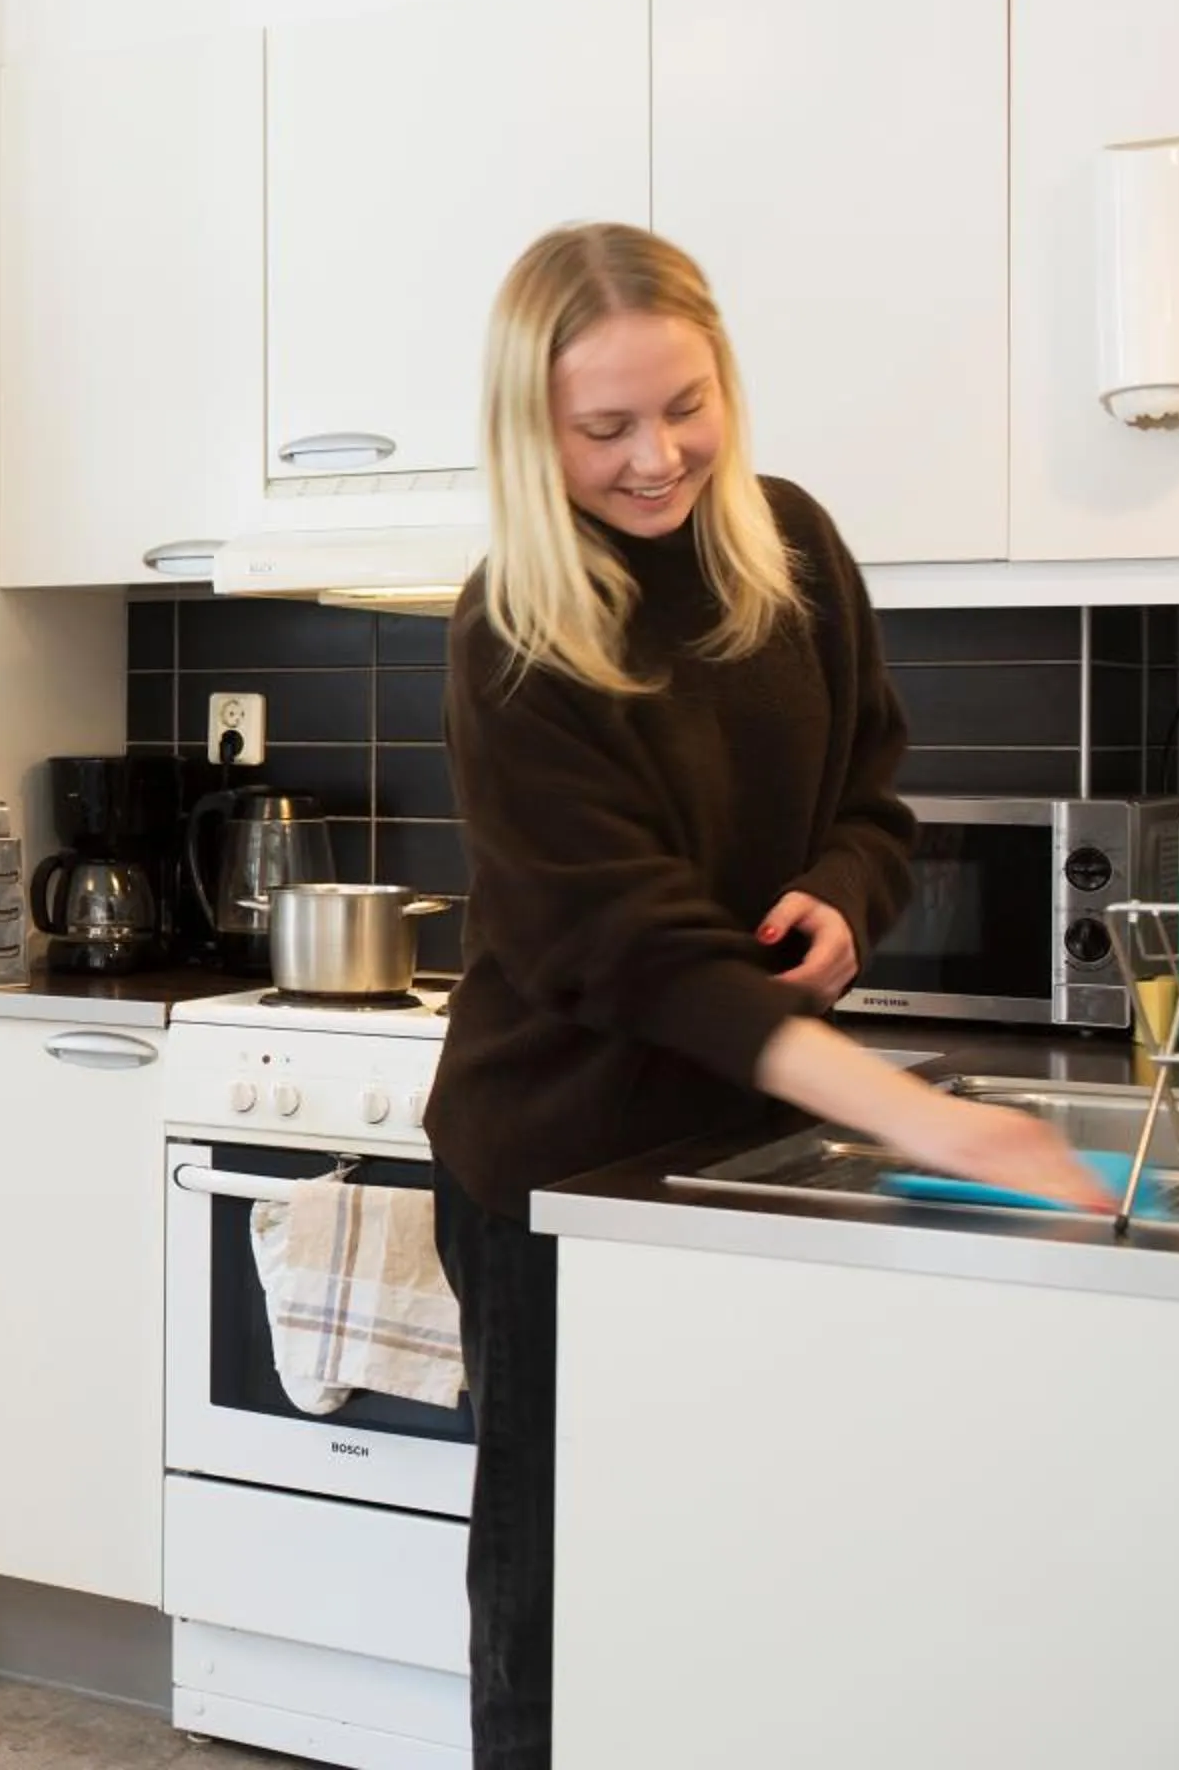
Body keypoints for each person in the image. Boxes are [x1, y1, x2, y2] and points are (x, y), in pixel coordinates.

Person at [427, 222, 1111, 1769]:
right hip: (557, 1160)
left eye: (685, 404)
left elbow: (874, 790)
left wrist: (849, 899)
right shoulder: (517, 626)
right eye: (603, 429)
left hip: (747, 1139)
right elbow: (633, 945)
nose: (658, 457)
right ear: (532, 433)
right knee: (562, 1576)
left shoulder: (789, 545)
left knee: (739, 1550)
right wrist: (915, 1112)